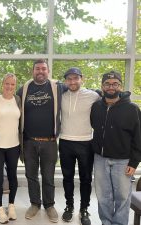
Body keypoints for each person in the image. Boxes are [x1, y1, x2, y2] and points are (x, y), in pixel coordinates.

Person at [16, 59, 66, 223]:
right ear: (33, 71)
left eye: (43, 69)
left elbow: (75, 87)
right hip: (29, 141)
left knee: (48, 176)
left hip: (49, 141)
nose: (40, 71)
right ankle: (35, 204)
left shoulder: (57, 86)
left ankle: (49, 205)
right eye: (37, 69)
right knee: (31, 175)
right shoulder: (24, 88)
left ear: (48, 71)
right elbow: (11, 101)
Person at [91, 71, 141, 225]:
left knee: (123, 197)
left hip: (123, 161)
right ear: (102, 86)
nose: (111, 87)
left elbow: (139, 137)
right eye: (107, 84)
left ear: (120, 86)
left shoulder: (132, 109)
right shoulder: (96, 107)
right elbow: (94, 127)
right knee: (103, 196)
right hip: (100, 159)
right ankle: (106, 222)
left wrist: (134, 162)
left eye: (115, 84)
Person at [59, 68, 99, 225]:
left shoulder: (93, 95)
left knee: (86, 179)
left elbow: (109, 101)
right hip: (65, 142)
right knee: (67, 178)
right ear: (66, 81)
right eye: (69, 79)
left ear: (82, 79)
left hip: (85, 143)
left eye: (75, 78)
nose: (72, 81)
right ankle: (69, 206)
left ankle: (84, 209)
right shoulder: (61, 96)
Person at [0, 73, 22, 224]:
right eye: (7, 83)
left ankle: (11, 205)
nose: (9, 87)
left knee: (13, 176)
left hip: (14, 145)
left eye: (12, 84)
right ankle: (0, 208)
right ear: (2, 84)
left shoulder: (18, 100)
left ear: (15, 86)